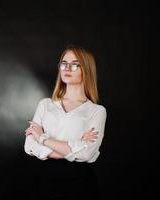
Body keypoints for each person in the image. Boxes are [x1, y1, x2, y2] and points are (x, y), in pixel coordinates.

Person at [23, 45, 107, 200]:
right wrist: (76, 145)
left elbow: (87, 154)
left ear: (86, 70)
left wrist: (43, 139)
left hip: (80, 184)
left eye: (75, 64)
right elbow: (29, 146)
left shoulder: (97, 111)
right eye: (64, 63)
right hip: (45, 182)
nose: (67, 68)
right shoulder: (45, 104)